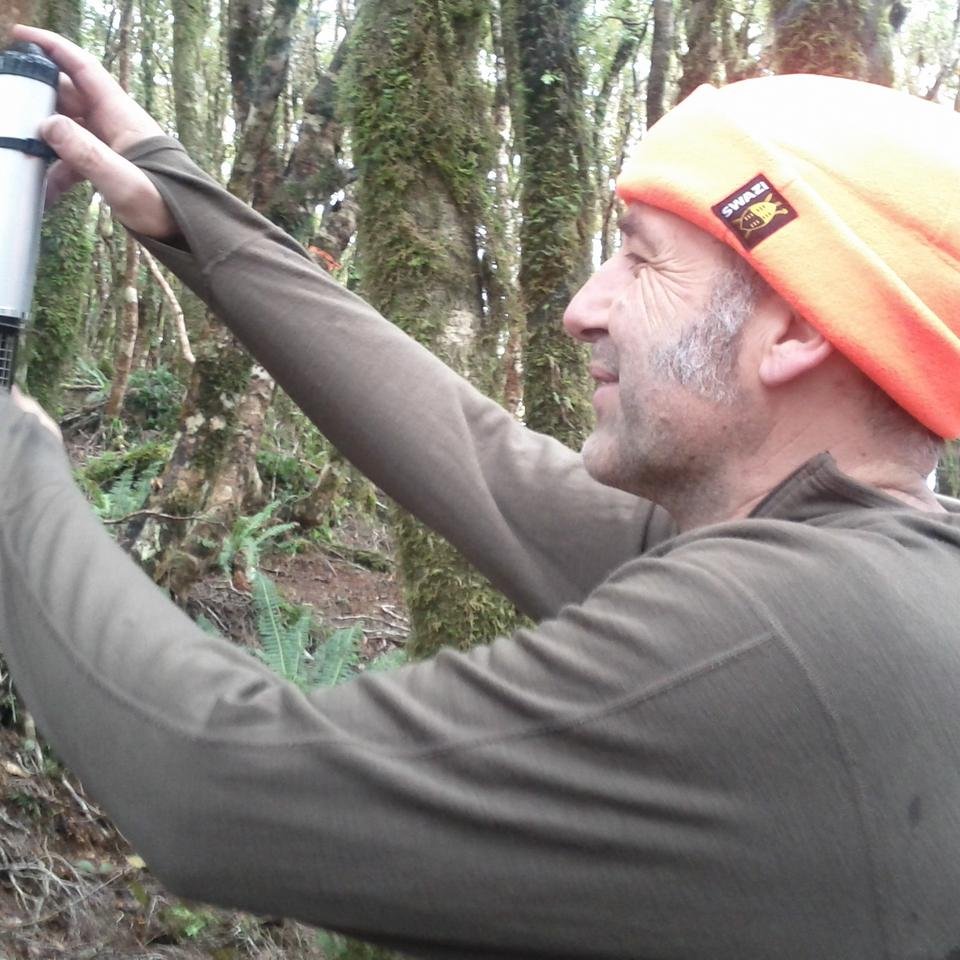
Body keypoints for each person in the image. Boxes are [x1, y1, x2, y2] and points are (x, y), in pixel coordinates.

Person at [1, 22, 959, 960]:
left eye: (641, 259)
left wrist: (14, 468)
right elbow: (471, 455)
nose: (583, 310)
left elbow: (210, 785)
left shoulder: (785, 637)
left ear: (792, 331)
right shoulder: (862, 561)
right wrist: (173, 193)